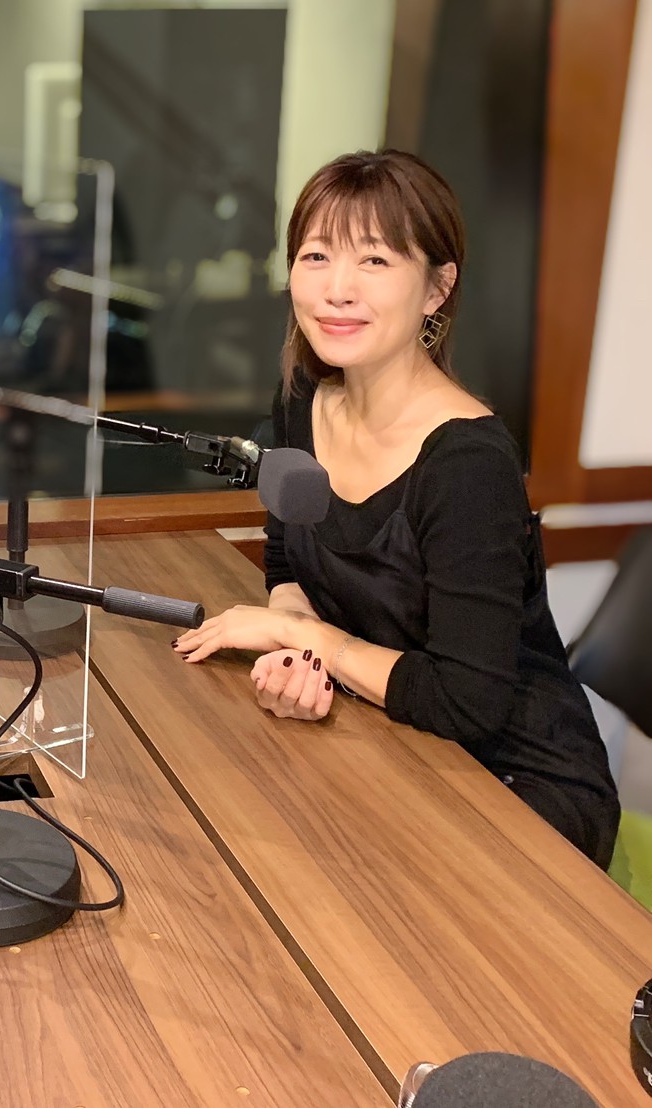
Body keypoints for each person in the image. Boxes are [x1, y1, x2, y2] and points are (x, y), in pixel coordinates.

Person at [173, 149, 618, 868]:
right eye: (316, 256)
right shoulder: (301, 401)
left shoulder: (468, 463)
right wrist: (298, 655)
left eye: (375, 260)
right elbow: (288, 562)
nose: (337, 289)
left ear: (437, 288)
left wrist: (308, 639)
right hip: (390, 732)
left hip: (516, 781)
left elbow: (465, 701)